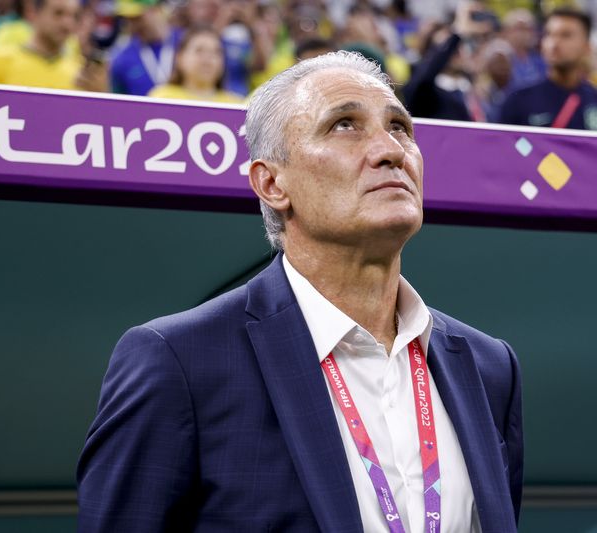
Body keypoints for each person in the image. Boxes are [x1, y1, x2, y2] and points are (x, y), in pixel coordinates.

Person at [77, 50, 523, 532]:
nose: (390, 149)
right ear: (271, 183)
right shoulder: (179, 361)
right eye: (344, 125)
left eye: (399, 127)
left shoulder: (488, 366)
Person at [0, 0, 106, 91]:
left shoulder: (81, 73)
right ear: (33, 12)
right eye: (58, 13)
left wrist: (99, 95)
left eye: (74, 16)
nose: (68, 24)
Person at [499, 8, 597, 130]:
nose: (554, 44)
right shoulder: (518, 100)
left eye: (566, 35)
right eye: (549, 34)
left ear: (587, 46)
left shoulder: (593, 99)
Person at [148, 26, 243, 103]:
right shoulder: (161, 99)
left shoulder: (235, 105)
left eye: (216, 52)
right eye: (199, 50)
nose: (207, 59)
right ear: (179, 57)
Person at [109, 0, 177, 96]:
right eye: (127, 20)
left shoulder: (188, 44)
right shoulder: (121, 60)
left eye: (137, 18)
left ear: (156, 10)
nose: (132, 27)